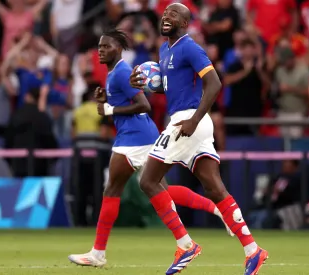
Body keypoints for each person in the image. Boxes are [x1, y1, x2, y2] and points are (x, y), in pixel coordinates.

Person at [67, 29, 232, 268]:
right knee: (160, 189)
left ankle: (99, 253)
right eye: (99, 47)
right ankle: (217, 210)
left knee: (113, 189)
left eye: (107, 46)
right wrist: (105, 101)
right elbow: (125, 104)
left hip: (135, 138)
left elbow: (143, 105)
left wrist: (110, 110)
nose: (101, 50)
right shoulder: (114, 74)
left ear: (119, 49)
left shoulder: (123, 72)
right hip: (135, 136)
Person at [129, 4, 268, 275]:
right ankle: (253, 250)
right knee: (215, 189)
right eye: (164, 13)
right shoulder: (165, 50)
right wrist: (145, 83)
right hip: (190, 120)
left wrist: (193, 120)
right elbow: (169, 85)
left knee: (148, 180)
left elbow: (214, 82)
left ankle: (186, 245)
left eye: (173, 15)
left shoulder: (189, 47)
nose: (166, 17)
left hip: (188, 121)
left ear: (184, 22)